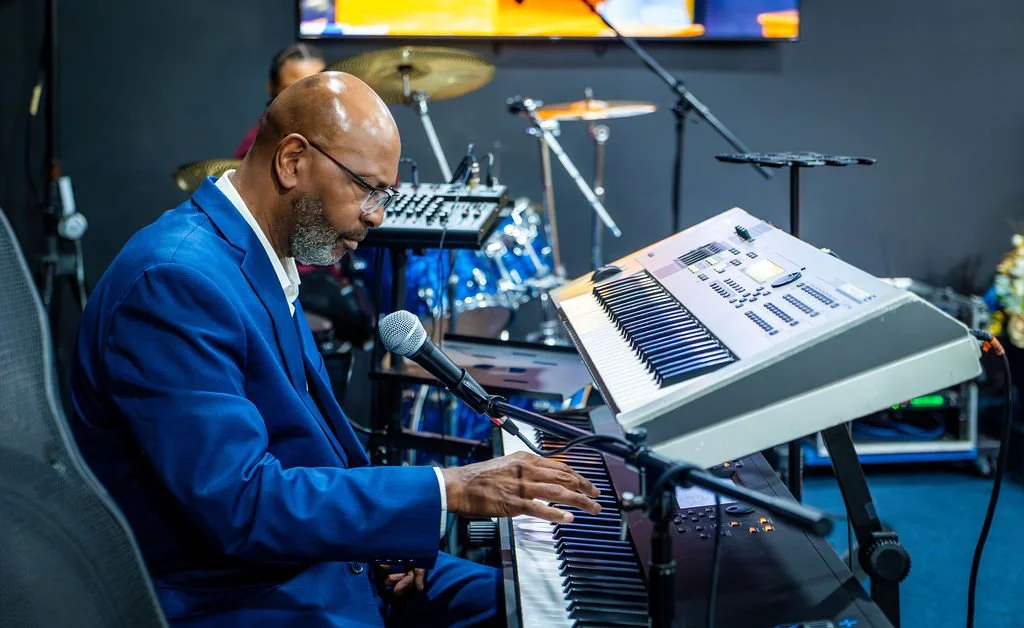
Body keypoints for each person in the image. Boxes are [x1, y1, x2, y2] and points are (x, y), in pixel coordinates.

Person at [68, 71, 601, 627]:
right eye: (368, 188)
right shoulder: (175, 280)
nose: (377, 216)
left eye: (386, 195)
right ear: (293, 160)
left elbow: (313, 450)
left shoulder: (255, 254)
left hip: (320, 559)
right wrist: (446, 490)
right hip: (235, 598)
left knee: (555, 608)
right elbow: (241, 505)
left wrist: (391, 535)